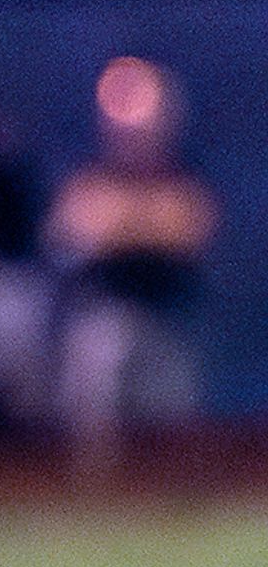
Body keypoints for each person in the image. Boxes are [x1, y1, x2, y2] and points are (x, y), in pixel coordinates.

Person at [46, 56, 216, 484]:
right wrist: (147, 222)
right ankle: (96, 504)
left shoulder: (186, 171)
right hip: (104, 316)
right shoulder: (86, 170)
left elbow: (188, 229)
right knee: (97, 413)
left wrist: (124, 221)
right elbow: (79, 229)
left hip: (170, 318)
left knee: (172, 433)